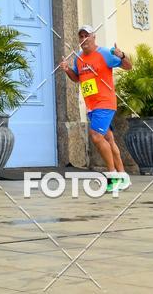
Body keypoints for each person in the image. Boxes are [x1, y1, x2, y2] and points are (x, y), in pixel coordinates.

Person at [61, 24, 133, 193]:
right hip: (91, 106)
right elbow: (77, 78)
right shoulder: (79, 58)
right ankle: (123, 177)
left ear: (94, 37)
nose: (83, 39)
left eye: (87, 35)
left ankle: (112, 176)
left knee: (95, 136)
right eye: (81, 36)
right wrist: (67, 70)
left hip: (105, 103)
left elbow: (128, 66)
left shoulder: (105, 53)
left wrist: (121, 55)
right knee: (108, 139)